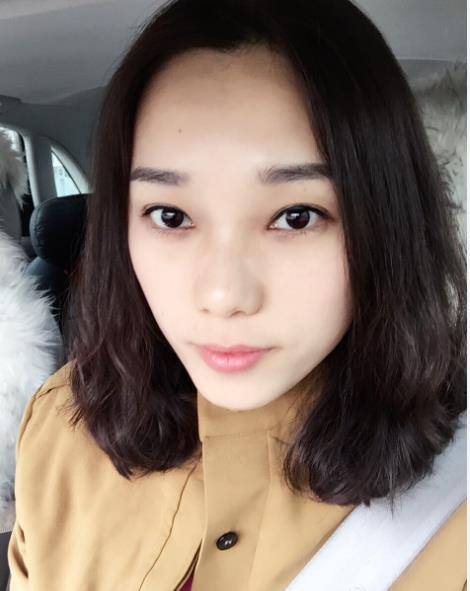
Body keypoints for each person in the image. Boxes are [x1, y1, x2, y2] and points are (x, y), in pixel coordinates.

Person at [7, 0, 467, 589]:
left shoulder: (454, 508)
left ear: (387, 223)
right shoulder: (61, 426)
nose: (224, 296)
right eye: (170, 216)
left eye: (296, 216)